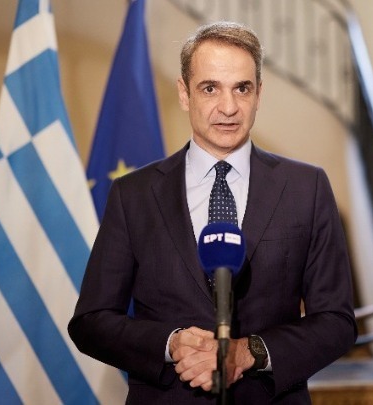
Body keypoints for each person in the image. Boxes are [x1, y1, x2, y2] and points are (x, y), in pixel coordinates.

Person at [68, 21, 357, 404]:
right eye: (210, 88)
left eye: (242, 88)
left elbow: (337, 321)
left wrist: (249, 352)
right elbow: (91, 321)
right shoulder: (132, 194)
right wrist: (171, 344)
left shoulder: (308, 187)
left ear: (259, 94)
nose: (229, 107)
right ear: (184, 93)